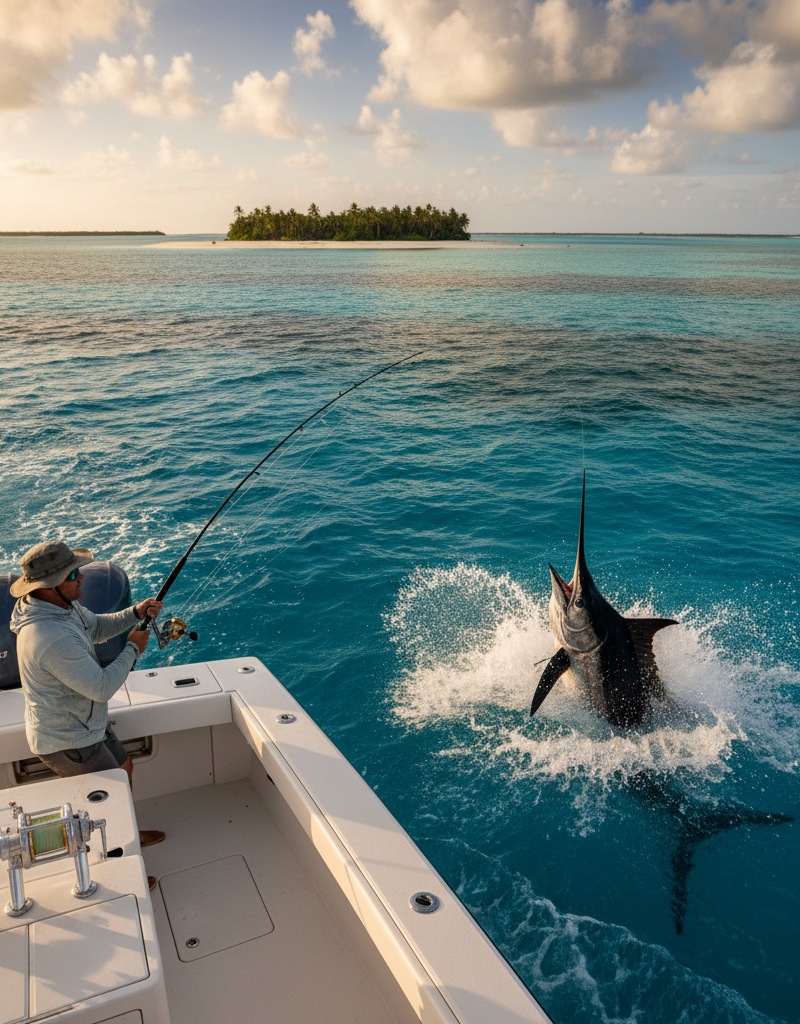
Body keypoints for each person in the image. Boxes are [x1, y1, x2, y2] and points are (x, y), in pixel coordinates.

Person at [10, 541, 166, 885]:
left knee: (123, 769)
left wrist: (135, 613)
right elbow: (102, 687)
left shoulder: (61, 607)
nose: (82, 578)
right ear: (50, 586)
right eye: (73, 574)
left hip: (85, 723)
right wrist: (133, 648)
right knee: (103, 807)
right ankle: (118, 871)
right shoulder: (48, 636)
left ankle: (126, 831)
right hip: (67, 739)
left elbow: (96, 628)